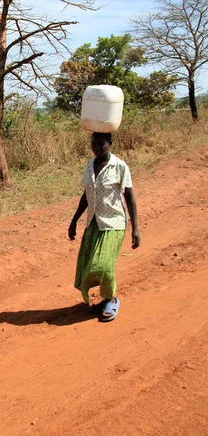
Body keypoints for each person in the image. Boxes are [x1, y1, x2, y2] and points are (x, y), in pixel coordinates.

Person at [68, 132, 140, 322]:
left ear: (110, 143)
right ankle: (105, 298)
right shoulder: (90, 165)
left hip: (114, 221)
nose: (97, 148)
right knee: (89, 264)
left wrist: (135, 228)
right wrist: (74, 220)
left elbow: (130, 197)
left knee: (105, 265)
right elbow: (86, 195)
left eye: (101, 144)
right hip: (94, 221)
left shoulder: (120, 166)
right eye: (94, 145)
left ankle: (111, 299)